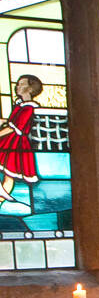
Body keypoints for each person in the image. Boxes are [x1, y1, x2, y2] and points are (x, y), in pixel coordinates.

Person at [0, 74, 41, 202]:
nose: (17, 87)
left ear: (30, 89)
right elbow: (11, 122)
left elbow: (15, 127)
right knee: (8, 175)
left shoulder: (29, 108)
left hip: (16, 144)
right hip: (9, 141)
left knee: (9, 175)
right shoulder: (20, 105)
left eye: (21, 84)